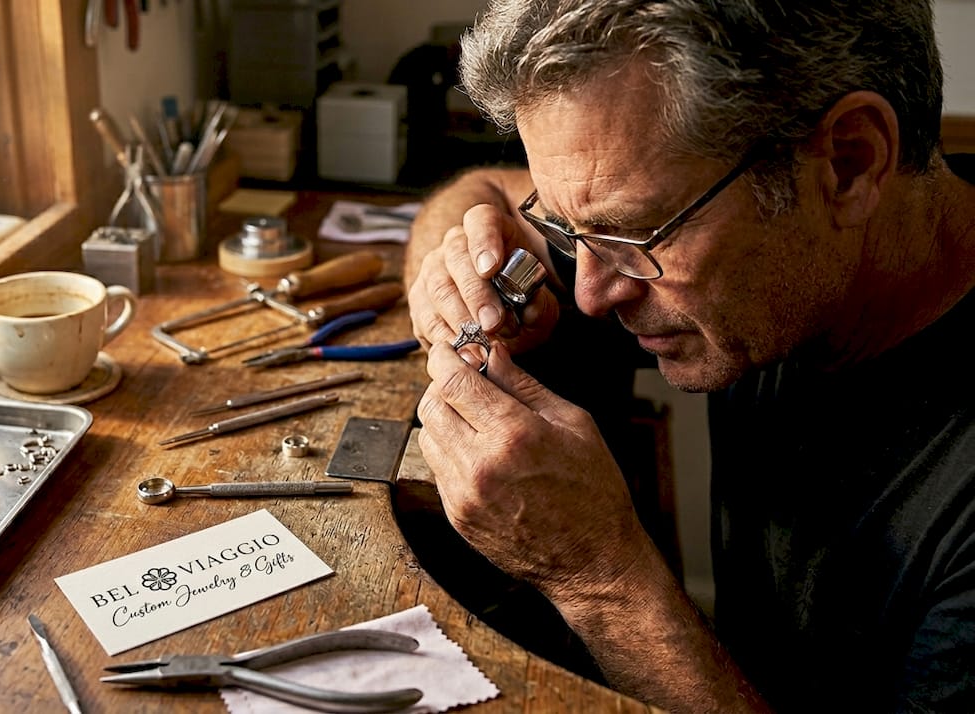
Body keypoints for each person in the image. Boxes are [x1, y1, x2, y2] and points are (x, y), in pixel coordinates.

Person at [404, 1, 975, 712]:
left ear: (849, 163)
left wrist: (600, 579)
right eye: (567, 229)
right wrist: (451, 276)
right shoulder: (803, 249)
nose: (590, 293)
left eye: (634, 234)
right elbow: (481, 192)